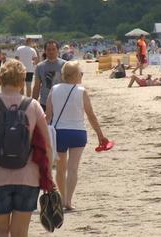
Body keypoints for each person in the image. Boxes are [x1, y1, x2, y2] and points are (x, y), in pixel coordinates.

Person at [0, 59, 51, 237]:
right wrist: (48, 176)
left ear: (0, 80)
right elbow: (46, 144)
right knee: (20, 233)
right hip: (28, 178)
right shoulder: (33, 106)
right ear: (23, 81)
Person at [45, 61, 108, 210]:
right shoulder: (81, 91)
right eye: (81, 73)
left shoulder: (54, 89)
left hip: (59, 132)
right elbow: (91, 115)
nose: (82, 75)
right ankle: (68, 201)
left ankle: (62, 197)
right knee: (73, 168)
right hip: (78, 133)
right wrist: (100, 134)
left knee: (61, 169)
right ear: (74, 75)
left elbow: (48, 116)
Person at [32, 40, 66, 111]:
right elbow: (37, 86)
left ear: (58, 50)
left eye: (53, 49)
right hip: (45, 102)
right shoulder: (40, 66)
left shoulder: (65, 65)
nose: (51, 52)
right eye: (48, 50)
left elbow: (70, 83)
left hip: (61, 102)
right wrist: (33, 103)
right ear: (45, 51)